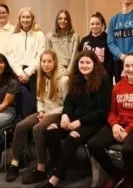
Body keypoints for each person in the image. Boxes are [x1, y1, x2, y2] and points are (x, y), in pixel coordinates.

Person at [35, 51, 112, 188]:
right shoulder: (76, 79)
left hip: (93, 122)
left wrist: (79, 122)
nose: (84, 65)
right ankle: (61, 167)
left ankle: (54, 180)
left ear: (95, 64)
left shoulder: (103, 81)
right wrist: (65, 115)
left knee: (72, 137)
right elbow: (69, 102)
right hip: (75, 119)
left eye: (88, 62)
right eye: (81, 62)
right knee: (50, 131)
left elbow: (102, 111)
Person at [87, 54, 133, 188]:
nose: (130, 69)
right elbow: (112, 112)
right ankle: (116, 173)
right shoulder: (118, 86)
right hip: (120, 125)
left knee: (128, 149)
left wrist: (128, 129)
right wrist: (114, 125)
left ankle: (131, 181)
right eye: (127, 66)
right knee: (93, 144)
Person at [6, 50, 68, 183]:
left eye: (49, 61)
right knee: (20, 126)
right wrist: (40, 111)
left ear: (55, 62)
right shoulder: (41, 77)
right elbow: (40, 99)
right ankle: (15, 163)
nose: (46, 64)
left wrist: (48, 114)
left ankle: (41, 168)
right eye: (43, 61)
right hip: (44, 111)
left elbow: (68, 105)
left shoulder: (64, 80)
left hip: (58, 113)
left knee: (37, 129)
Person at [7, 7, 46, 97]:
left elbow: (40, 54)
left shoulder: (39, 35)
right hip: (18, 74)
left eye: (28, 17)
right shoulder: (14, 36)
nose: (25, 20)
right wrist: (20, 73)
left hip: (34, 73)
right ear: (19, 19)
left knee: (34, 102)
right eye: (23, 17)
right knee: (20, 104)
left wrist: (28, 72)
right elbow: (10, 56)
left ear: (32, 19)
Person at [78, 12, 114, 83]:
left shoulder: (108, 39)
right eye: (92, 24)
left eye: (97, 24)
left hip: (103, 76)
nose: (95, 26)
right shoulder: (84, 40)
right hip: (86, 75)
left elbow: (111, 61)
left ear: (102, 25)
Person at [45, 9, 80, 74]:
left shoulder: (75, 36)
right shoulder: (49, 36)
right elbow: (48, 56)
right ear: (56, 21)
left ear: (68, 21)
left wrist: (69, 71)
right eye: (60, 19)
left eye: (65, 19)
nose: (62, 21)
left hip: (70, 70)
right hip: (55, 70)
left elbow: (75, 56)